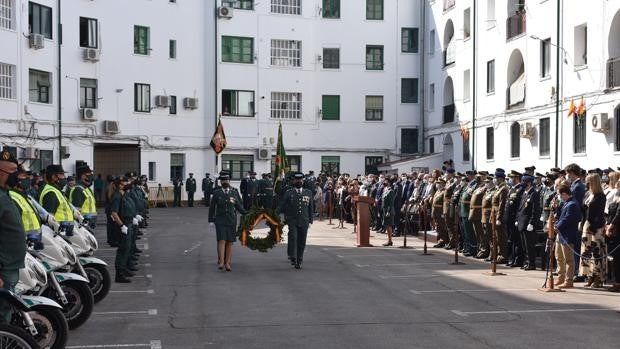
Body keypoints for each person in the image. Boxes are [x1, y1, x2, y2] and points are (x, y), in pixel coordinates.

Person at [0, 150, 27, 323]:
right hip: (3, 268)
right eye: (12, 172)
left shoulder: (5, 194)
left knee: (5, 310)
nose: (17, 176)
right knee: (2, 315)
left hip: (10, 265)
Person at [208, 172, 246, 272]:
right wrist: (211, 220)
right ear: (221, 182)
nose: (225, 182)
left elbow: (239, 206)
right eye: (223, 180)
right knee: (221, 240)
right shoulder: (217, 193)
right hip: (220, 220)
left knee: (229, 242)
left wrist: (247, 214)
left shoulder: (234, 192)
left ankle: (228, 262)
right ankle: (221, 261)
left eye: (226, 180)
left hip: (231, 220)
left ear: (229, 181)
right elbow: (212, 207)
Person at [277, 172, 314, 269]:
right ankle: (293, 256)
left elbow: (311, 208)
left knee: (302, 241)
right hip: (292, 220)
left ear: (303, 181)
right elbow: (282, 205)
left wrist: (311, 220)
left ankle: (299, 259)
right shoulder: (289, 192)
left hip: (304, 220)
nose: (299, 182)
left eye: (300, 180)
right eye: (297, 180)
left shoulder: (308, 192)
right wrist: (274, 214)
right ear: (294, 181)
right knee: (293, 238)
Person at [40, 164, 82, 236]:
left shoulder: (57, 191)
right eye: (62, 175)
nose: (65, 177)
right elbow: (49, 219)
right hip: (58, 233)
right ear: (54, 177)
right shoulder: (51, 193)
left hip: (64, 232)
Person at [580, 173, 607, 288]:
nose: (587, 184)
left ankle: (598, 278)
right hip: (587, 225)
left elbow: (600, 214)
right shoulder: (588, 194)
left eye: (589, 182)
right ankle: (590, 276)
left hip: (596, 227)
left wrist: (594, 227)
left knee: (596, 253)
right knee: (586, 253)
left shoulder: (600, 196)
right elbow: (584, 211)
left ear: (594, 182)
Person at [108, 176, 136, 283]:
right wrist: (121, 226)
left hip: (127, 224)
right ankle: (119, 274)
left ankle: (123, 270)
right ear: (117, 185)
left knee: (126, 248)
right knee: (123, 250)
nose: (124, 185)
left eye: (124, 183)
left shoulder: (121, 195)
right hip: (123, 226)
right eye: (121, 184)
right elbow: (114, 213)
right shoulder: (116, 196)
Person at [554, 183, 582, 289]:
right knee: (559, 257)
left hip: (567, 235)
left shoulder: (572, 204)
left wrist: (558, 227)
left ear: (565, 194)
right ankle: (561, 277)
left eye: (560, 195)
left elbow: (567, 218)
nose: (559, 197)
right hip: (561, 234)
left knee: (568, 259)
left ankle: (568, 280)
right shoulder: (567, 203)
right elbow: (561, 216)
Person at [516, 175, 540, 270]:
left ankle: (531, 263)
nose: (522, 183)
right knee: (524, 245)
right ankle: (527, 262)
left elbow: (535, 210)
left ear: (529, 183)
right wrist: (517, 219)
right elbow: (520, 208)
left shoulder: (534, 193)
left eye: (524, 182)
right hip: (522, 223)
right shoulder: (525, 193)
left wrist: (532, 223)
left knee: (529, 245)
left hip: (528, 224)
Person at [70, 164, 98, 229]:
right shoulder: (78, 190)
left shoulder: (86, 188)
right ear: (83, 176)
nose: (91, 175)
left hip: (89, 224)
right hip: (83, 225)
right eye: (89, 173)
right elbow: (77, 211)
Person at [491, 169, 509, 264]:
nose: (495, 180)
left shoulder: (504, 189)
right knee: (496, 237)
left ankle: (503, 256)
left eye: (496, 178)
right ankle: (498, 254)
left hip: (499, 216)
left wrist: (498, 218)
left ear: (501, 179)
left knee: (501, 237)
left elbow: (502, 204)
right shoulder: (498, 188)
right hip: (494, 214)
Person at [380, 176, 396, 246]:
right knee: (386, 225)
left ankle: (390, 241)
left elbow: (391, 203)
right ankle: (389, 240)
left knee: (388, 225)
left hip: (388, 211)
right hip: (384, 209)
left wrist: (388, 211)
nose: (384, 182)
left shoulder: (391, 191)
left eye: (385, 181)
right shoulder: (385, 190)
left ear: (389, 183)